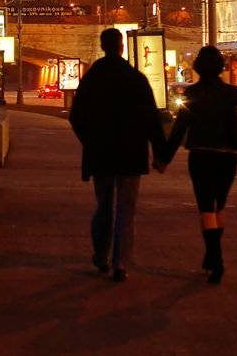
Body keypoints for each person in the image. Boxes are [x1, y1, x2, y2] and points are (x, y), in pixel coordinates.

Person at [68, 28, 167, 282]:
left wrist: (88, 141)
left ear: (103, 47)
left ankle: (101, 256)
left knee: (103, 206)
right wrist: (159, 153)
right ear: (122, 47)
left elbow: (76, 116)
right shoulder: (136, 78)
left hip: (101, 154)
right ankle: (120, 263)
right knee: (126, 209)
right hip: (131, 155)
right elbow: (151, 119)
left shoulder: (92, 79)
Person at [160, 46, 237, 284]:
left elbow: (178, 131)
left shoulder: (193, 94)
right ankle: (213, 256)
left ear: (198, 67)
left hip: (200, 157)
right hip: (228, 157)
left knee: (205, 207)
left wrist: (164, 159)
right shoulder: (233, 93)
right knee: (219, 206)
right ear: (221, 66)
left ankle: (215, 257)